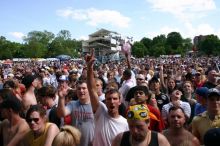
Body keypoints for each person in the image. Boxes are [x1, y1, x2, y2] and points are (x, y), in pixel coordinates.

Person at [85, 49, 129, 146]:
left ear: (120, 101)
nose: (112, 101)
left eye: (115, 99)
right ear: (105, 101)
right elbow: (92, 90)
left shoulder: (125, 123)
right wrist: (90, 68)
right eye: (109, 99)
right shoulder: (101, 112)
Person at [57, 80, 94, 146]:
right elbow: (61, 114)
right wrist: (61, 98)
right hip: (75, 142)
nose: (81, 91)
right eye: (79, 89)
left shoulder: (95, 105)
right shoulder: (72, 104)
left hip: (92, 143)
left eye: (84, 88)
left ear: (89, 90)